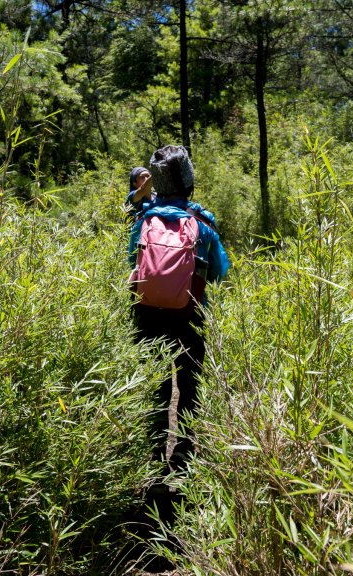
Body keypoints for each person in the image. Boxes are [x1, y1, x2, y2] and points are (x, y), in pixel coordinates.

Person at [128, 145, 229, 479]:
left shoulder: (144, 219)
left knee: (156, 385)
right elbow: (218, 273)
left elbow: (133, 264)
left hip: (147, 315)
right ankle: (184, 461)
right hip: (190, 315)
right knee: (188, 385)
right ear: (189, 182)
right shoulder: (202, 223)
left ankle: (154, 460)